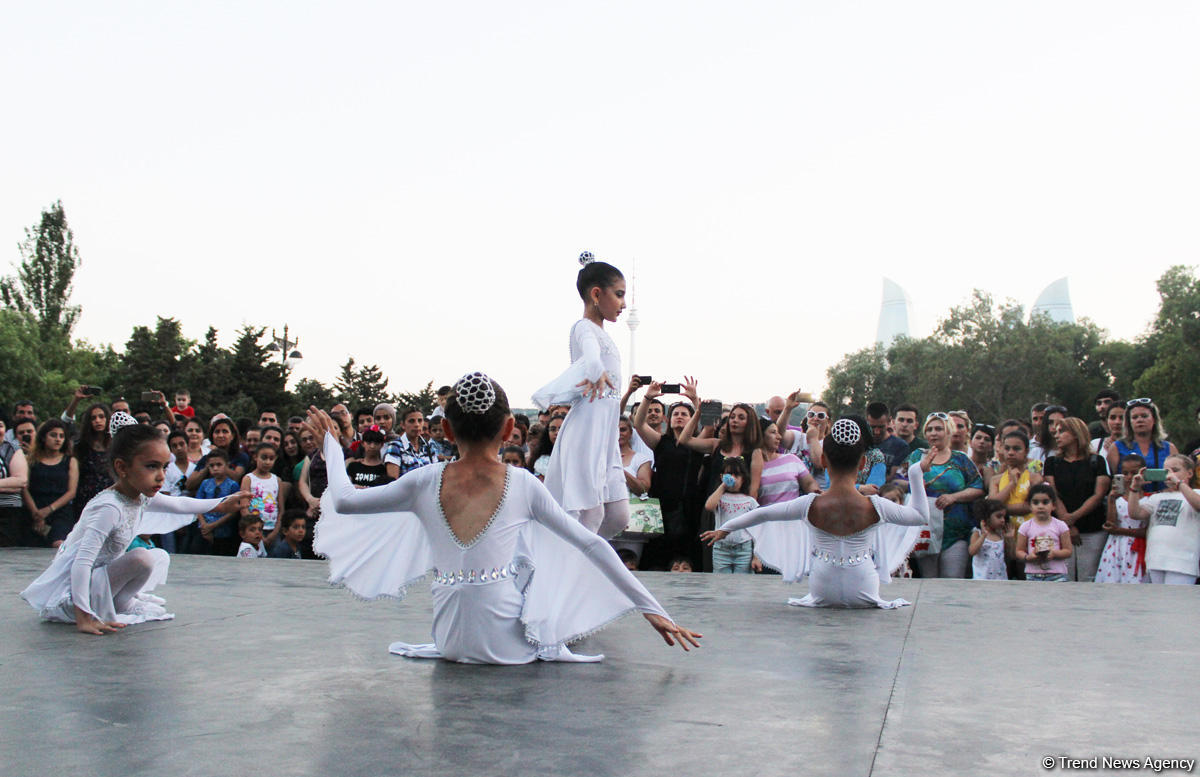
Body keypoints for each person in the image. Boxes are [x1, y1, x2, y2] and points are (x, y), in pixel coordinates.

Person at [310, 371, 700, 664]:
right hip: (505, 646)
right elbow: (593, 544)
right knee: (533, 557)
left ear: (445, 429)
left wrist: (331, 442)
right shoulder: (523, 484)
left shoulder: (422, 481)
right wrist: (653, 610)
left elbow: (343, 501)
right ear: (510, 428)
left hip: (450, 640)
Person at [20, 415, 248, 633]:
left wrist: (221, 503)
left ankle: (119, 601)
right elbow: (82, 563)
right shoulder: (108, 507)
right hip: (76, 592)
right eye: (151, 466)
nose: (160, 476)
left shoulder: (139, 496)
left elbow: (178, 504)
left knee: (147, 557)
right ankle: (93, 607)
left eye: (164, 467)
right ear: (122, 468)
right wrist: (84, 618)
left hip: (99, 580)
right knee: (141, 556)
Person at [701, 417, 931, 609]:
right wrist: (915, 473)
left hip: (823, 588)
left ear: (822, 459)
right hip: (864, 585)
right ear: (862, 464)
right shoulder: (877, 505)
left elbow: (762, 514)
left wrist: (724, 528)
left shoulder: (809, 504)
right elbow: (920, 516)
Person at [532, 254, 631, 539]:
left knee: (619, 514)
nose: (624, 304)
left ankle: (583, 564)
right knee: (589, 514)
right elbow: (590, 355)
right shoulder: (583, 328)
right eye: (619, 294)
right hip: (587, 431)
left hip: (606, 436)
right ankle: (571, 571)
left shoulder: (604, 333)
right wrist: (596, 370)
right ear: (596, 294)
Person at [907, 412, 984, 579]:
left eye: (939, 429)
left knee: (952, 581)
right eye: (930, 429)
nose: (934, 433)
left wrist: (954, 497)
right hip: (927, 532)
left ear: (948, 431)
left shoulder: (961, 459)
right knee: (928, 581)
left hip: (956, 533)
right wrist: (922, 472)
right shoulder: (916, 456)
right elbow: (910, 488)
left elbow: (978, 487)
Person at [634, 383, 702, 570]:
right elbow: (639, 424)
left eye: (684, 414)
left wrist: (695, 400)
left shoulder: (698, 442)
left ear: (692, 419)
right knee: (661, 555)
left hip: (689, 506)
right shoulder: (661, 441)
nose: (679, 417)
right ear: (668, 419)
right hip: (663, 505)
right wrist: (648, 397)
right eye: (675, 414)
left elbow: (707, 422)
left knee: (687, 557)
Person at [1043, 416, 1111, 582]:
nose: (1056, 435)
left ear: (1075, 434)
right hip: (1061, 528)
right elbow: (1053, 493)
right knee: (1063, 576)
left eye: (1062, 431)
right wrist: (1068, 523)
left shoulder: (1097, 461)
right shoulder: (1052, 462)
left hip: (1092, 527)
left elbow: (1098, 494)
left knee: (1088, 576)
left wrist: (1074, 517)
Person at [1128, 455, 1200, 585]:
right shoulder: (1157, 497)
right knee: (1159, 602)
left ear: (1189, 473)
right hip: (1155, 559)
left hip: (1182, 563)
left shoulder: (1195, 493)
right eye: (1165, 471)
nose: (1169, 474)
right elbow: (1135, 513)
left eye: (1175, 470)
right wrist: (1134, 488)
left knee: (1175, 602)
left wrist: (1179, 483)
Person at [22, 419, 79, 546]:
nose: (58, 439)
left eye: (61, 436)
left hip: (60, 510)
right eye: (53, 435)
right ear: (43, 437)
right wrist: (36, 513)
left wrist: (49, 510)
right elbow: (24, 487)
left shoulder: (70, 461)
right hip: (34, 509)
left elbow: (71, 492)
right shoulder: (31, 460)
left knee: (59, 543)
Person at [1095, 454, 1148, 584]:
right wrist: (1111, 500)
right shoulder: (1118, 499)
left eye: (1134, 473)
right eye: (1125, 473)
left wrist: (1120, 530)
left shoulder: (1149, 500)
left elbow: (1146, 531)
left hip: (1137, 548)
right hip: (1116, 547)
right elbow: (1110, 524)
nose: (1129, 477)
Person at [1108, 398, 1177, 495]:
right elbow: (1114, 481)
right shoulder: (1116, 447)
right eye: (1135, 417)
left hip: (1162, 500)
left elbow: (1179, 478)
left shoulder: (1169, 447)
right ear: (1129, 422)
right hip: (1129, 501)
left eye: (1144, 416)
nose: (1140, 420)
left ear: (1154, 419)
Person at [704, 458, 758, 574]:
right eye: (729, 474)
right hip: (722, 549)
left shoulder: (749, 501)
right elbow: (709, 506)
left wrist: (756, 556)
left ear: (743, 479)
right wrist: (723, 485)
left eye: (737, 475)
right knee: (721, 585)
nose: (732, 478)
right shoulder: (719, 498)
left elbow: (757, 530)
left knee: (742, 584)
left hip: (744, 549)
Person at [1015, 483, 1073, 581]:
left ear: (1053, 505)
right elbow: (1019, 551)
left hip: (1057, 575)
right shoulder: (1025, 527)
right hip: (1033, 574)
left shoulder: (1060, 525)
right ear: (1029, 505)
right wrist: (1029, 557)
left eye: (1045, 502)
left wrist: (1054, 554)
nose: (1040, 506)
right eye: (1035, 502)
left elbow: (1068, 551)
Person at [989, 430, 1042, 532]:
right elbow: (992, 506)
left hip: (1031, 533)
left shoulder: (1034, 477)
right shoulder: (996, 479)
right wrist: (1012, 484)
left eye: (1016, 449)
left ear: (1026, 451)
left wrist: (1001, 509)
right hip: (1003, 536)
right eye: (1007, 448)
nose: (1011, 453)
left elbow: (1029, 506)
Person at [193, 450, 242, 556]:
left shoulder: (232, 485)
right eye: (212, 465)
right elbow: (197, 505)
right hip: (203, 529)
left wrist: (213, 525)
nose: (215, 468)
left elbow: (234, 511)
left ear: (227, 465)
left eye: (219, 465)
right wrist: (204, 525)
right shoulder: (205, 483)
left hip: (224, 532)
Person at [72, 403, 114, 525]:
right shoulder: (81, 446)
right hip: (85, 499)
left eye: (101, 417)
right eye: (93, 418)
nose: (97, 421)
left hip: (109, 498)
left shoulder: (116, 445)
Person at [241, 443, 287, 550]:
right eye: (264, 458)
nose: (267, 462)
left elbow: (281, 509)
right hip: (253, 531)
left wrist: (275, 531)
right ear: (255, 457)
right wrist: (254, 531)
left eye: (271, 459)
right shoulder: (248, 479)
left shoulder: (277, 480)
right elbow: (244, 507)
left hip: (272, 529)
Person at [384, 408, 437, 480]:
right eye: (411, 421)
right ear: (403, 425)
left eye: (420, 421)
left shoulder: (429, 447)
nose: (417, 424)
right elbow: (392, 481)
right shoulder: (395, 447)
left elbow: (436, 475)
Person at [0, 424, 30, 547]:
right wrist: (7, 484)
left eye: (0, 426)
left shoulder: (12, 449)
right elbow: (13, 484)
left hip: (7, 513)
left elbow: (21, 481)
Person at [968, 499, 1011, 580]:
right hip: (982, 579)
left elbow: (1010, 555)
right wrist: (983, 535)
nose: (1003, 520)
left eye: (1004, 517)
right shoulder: (978, 533)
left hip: (1000, 579)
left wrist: (1010, 539)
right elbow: (972, 551)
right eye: (998, 516)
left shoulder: (1001, 535)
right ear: (986, 517)